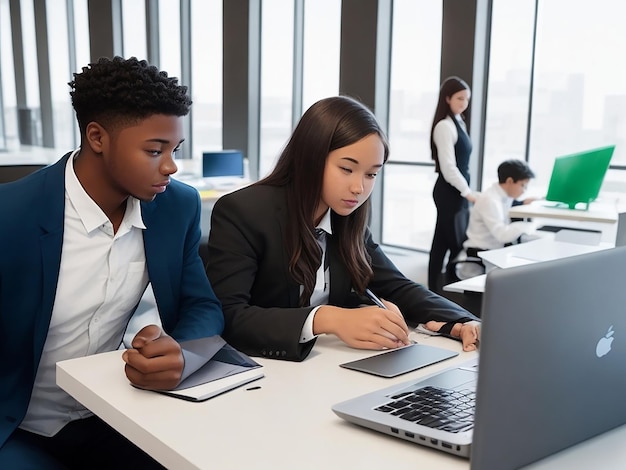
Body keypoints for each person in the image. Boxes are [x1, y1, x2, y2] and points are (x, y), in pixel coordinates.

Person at [0, 56, 224, 468]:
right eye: (154, 150)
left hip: (116, 414)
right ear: (98, 137)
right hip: (14, 428)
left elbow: (202, 306)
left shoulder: (177, 207)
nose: (172, 166)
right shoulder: (9, 216)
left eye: (175, 149)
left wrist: (183, 352)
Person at [205, 95, 480, 363]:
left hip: (329, 369)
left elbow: (397, 286)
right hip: (264, 375)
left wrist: (464, 321)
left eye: (371, 174)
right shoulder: (243, 211)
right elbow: (229, 315)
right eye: (347, 169)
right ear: (311, 158)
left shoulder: (346, 217)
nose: (359, 188)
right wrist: (328, 318)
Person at [427, 76, 476, 293]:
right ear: (447, 98)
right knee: (451, 242)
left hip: (456, 192)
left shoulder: (460, 122)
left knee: (443, 241)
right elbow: (448, 167)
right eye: (459, 98)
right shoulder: (445, 126)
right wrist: (467, 192)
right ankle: (440, 288)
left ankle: (438, 288)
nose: (464, 103)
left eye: (466, 99)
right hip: (449, 191)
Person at [464, 159, 537, 253]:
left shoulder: (503, 196)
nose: (524, 190)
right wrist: (529, 226)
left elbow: (513, 205)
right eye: (523, 185)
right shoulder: (490, 200)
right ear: (510, 181)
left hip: (492, 248)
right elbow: (502, 235)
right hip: (481, 252)